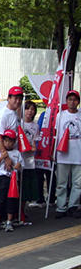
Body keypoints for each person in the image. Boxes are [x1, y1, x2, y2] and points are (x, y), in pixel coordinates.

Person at [53, 90, 81, 218]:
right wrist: (53, 151)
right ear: (66, 101)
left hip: (78, 154)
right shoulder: (60, 115)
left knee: (77, 183)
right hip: (63, 154)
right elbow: (55, 134)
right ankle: (61, 207)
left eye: (75, 99)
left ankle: (73, 206)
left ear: (78, 102)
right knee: (61, 183)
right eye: (70, 99)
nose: (72, 102)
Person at [0, 129, 23, 232]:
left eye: (11, 141)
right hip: (1, 177)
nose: (8, 143)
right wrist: (1, 158)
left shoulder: (16, 153)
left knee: (11, 200)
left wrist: (18, 166)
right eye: (6, 141)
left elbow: (21, 165)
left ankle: (9, 221)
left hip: (12, 179)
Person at [0, 86, 23, 174]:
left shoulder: (15, 113)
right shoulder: (3, 115)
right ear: (9, 98)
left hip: (14, 155)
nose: (18, 101)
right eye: (15, 98)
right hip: (4, 161)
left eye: (20, 99)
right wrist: (6, 157)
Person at [19, 100, 39, 224]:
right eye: (27, 109)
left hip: (30, 161)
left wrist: (32, 148)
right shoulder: (19, 123)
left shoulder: (35, 126)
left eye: (32, 109)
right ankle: (17, 211)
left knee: (26, 189)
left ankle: (23, 210)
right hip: (19, 161)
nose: (29, 112)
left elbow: (34, 144)